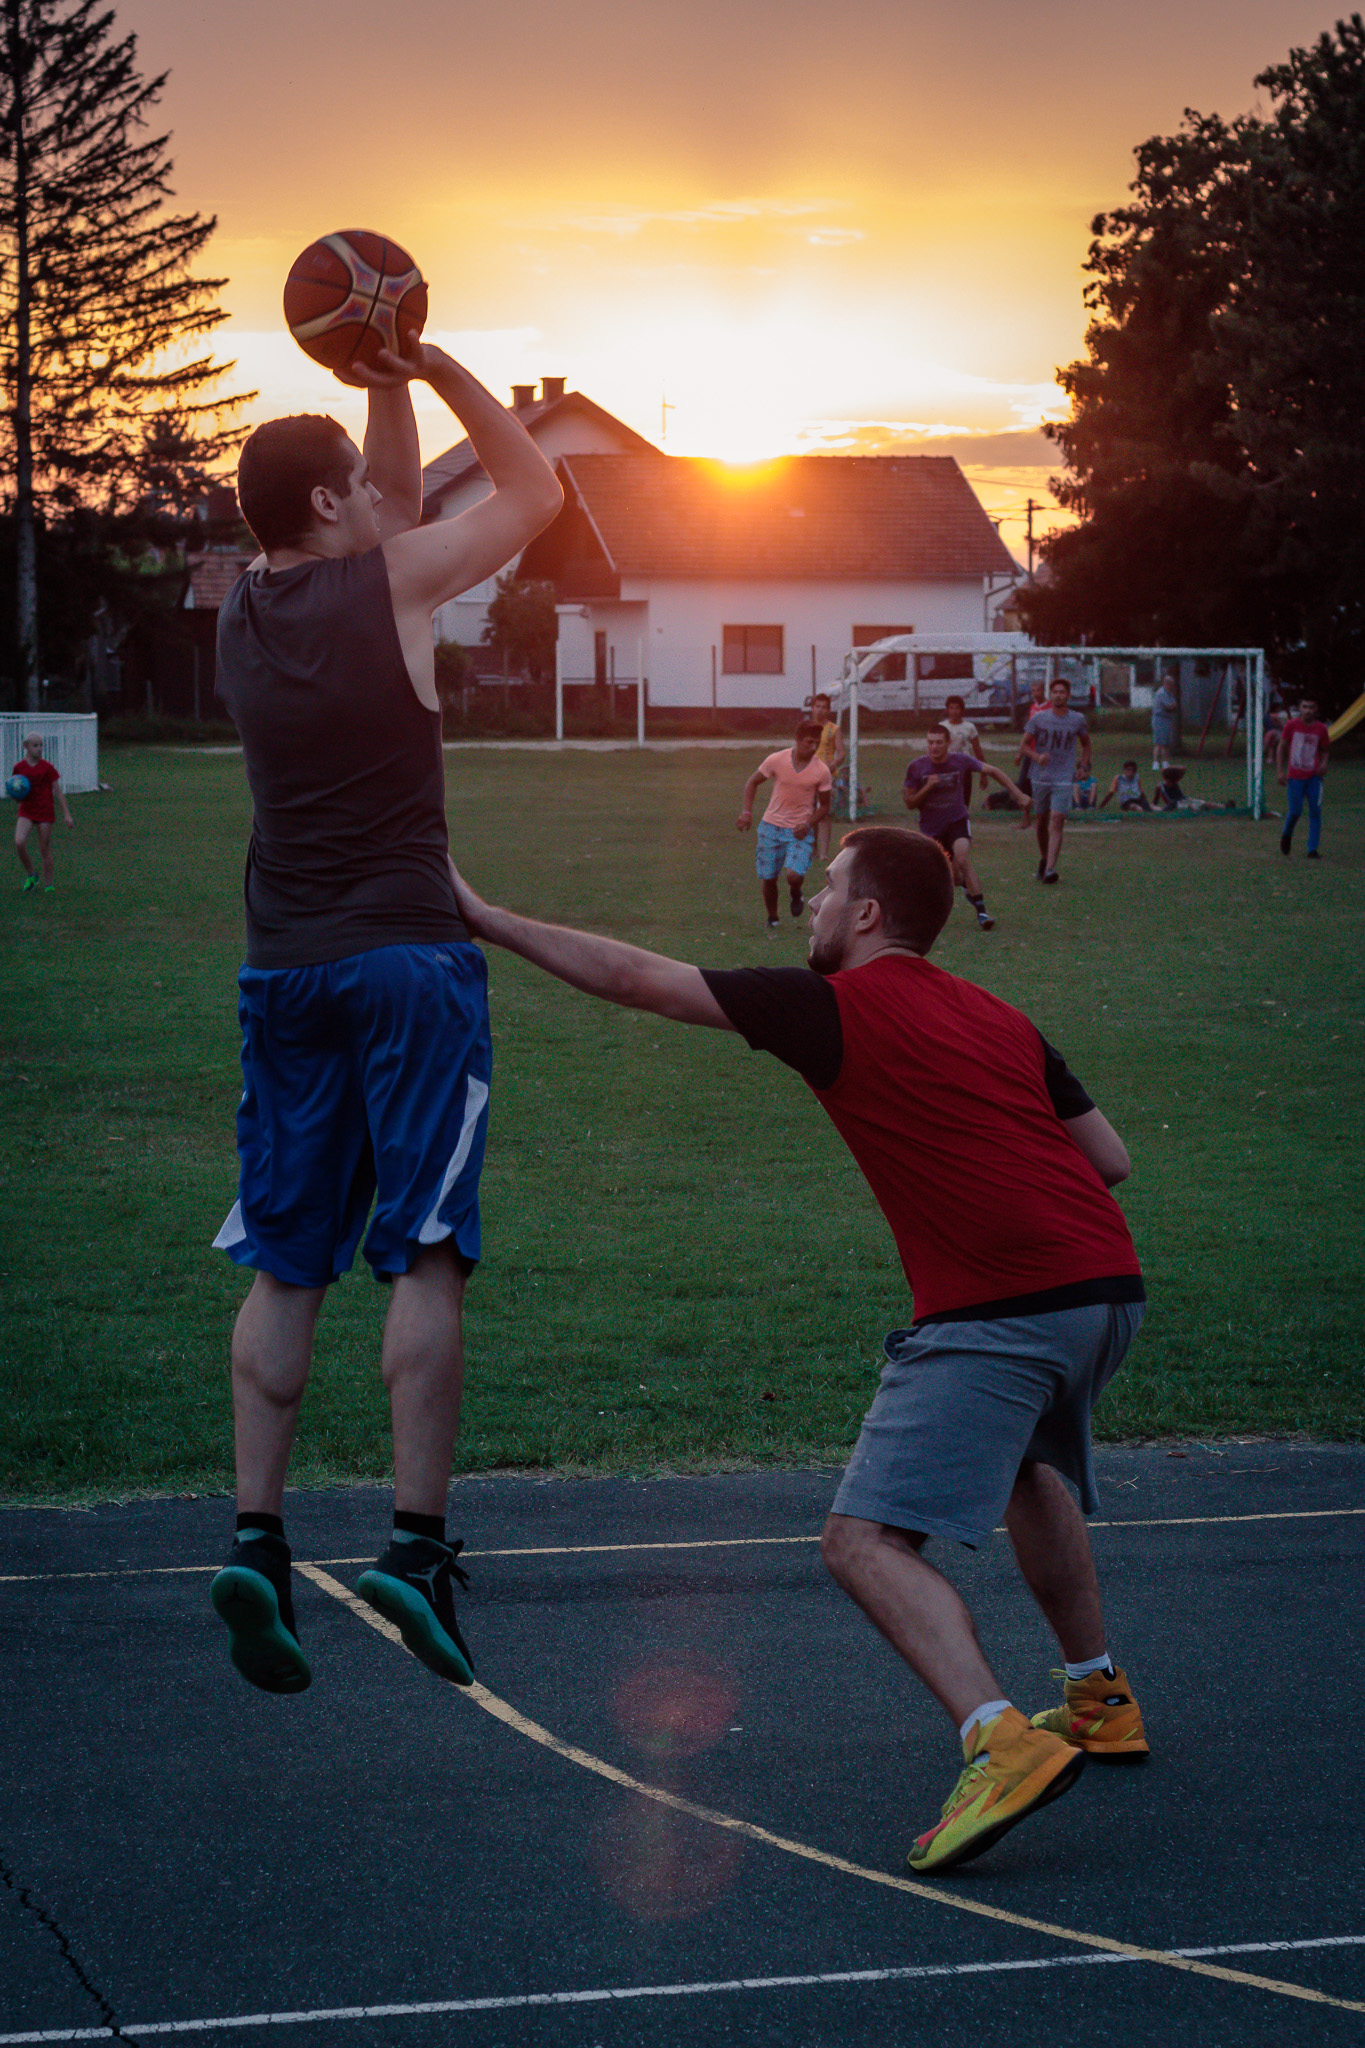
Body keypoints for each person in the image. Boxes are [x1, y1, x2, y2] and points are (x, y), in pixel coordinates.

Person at [447, 827, 1148, 1874]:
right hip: (1106, 1288)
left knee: (860, 1542)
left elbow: (640, 978)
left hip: (1002, 1305)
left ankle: (999, 1738)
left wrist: (486, 916)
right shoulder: (1001, 1014)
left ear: (867, 915)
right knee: (1023, 1468)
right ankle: (1098, 1697)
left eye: (827, 890)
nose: (814, 906)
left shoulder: (828, 1005)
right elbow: (1112, 1158)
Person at [207, 329, 563, 1696]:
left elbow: (393, 515)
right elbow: (532, 496)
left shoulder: (244, 606)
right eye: (353, 482)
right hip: (411, 960)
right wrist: (442, 358)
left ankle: (255, 1536)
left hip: (281, 966)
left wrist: (376, 375)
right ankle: (413, 1550)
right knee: (422, 1252)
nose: (376, 494)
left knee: (285, 1259)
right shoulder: (390, 587)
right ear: (322, 506)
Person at [902, 725, 1026, 930]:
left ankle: (982, 914)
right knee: (953, 877)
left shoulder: (960, 761)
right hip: (931, 829)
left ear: (948, 743)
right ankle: (966, 887)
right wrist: (928, 787)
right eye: (930, 742)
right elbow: (909, 803)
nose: (934, 747)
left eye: (939, 742)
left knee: (962, 858)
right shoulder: (916, 767)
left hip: (957, 821)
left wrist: (1018, 794)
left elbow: (992, 770)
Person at [737, 721, 832, 927]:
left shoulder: (821, 770)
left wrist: (808, 824)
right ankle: (773, 918)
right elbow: (752, 783)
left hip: (800, 830)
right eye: (809, 742)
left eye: (817, 743)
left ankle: (796, 893)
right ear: (798, 740)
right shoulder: (776, 760)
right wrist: (746, 812)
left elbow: (824, 806)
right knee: (769, 877)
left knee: (794, 875)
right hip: (771, 826)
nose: (813, 747)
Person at [1022, 678, 1091, 884]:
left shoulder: (1077, 719)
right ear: (1050, 695)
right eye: (1055, 692)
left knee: (1057, 819)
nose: (1058, 695)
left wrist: (1084, 766)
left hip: (1064, 776)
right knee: (1041, 822)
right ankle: (1044, 860)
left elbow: (1086, 744)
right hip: (1041, 776)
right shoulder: (1039, 718)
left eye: (1062, 692)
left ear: (1069, 696)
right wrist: (1037, 757)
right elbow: (1024, 746)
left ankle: (1051, 870)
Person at [11, 733, 73, 891]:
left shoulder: (47, 767)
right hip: (26, 810)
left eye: (41, 745)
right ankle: (32, 875)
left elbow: (58, 791)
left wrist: (66, 814)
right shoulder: (19, 767)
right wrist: (17, 796)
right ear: (26, 747)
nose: (39, 749)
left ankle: (49, 884)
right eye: (35, 745)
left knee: (44, 848)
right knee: (19, 842)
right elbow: (16, 788)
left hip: (45, 810)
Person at [1276, 695, 1331, 859]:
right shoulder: (1292, 725)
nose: (1308, 710)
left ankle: (1312, 849)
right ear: (1300, 708)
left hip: (1314, 777)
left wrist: (1324, 763)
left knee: (1315, 811)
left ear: (1316, 709)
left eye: (1311, 707)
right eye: (1305, 707)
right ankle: (1286, 835)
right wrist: (1280, 771)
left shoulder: (1321, 728)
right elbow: (1281, 747)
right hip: (1295, 776)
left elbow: (1325, 749)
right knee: (1295, 811)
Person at [810, 693, 845, 860]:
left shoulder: (833, 729)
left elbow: (842, 753)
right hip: (807, 775)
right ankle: (813, 849)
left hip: (825, 775)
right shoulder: (806, 727)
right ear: (812, 708)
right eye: (817, 706)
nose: (820, 710)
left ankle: (823, 853)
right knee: (810, 814)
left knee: (823, 813)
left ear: (829, 709)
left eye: (824, 707)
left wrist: (835, 764)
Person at [1012, 677, 1048, 831]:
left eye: (1038, 690)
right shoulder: (1033, 708)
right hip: (1030, 753)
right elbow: (1028, 733)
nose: (1035, 693)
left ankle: (1043, 819)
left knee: (1041, 788)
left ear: (1044, 690)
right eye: (1033, 691)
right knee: (1023, 786)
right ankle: (1026, 819)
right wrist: (1020, 753)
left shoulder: (1050, 708)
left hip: (1043, 755)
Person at [941, 694, 984, 807]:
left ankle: (964, 822)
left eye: (957, 708)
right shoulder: (942, 727)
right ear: (947, 710)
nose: (954, 711)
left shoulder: (969, 727)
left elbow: (977, 750)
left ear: (962, 710)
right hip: (947, 767)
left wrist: (983, 775)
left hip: (964, 767)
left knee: (964, 800)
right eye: (951, 708)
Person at [1151, 670, 1179, 774]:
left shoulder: (1169, 693)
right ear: (1166, 684)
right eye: (1171, 685)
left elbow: (1174, 705)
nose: (1172, 687)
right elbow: (1169, 706)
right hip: (1159, 719)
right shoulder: (1161, 693)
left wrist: (1172, 706)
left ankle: (1165, 763)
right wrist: (1171, 706)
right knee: (1159, 743)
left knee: (1166, 743)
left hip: (1166, 720)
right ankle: (1155, 763)